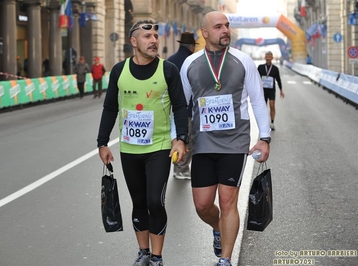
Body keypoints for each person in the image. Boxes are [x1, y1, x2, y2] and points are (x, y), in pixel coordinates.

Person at [179, 11, 271, 266]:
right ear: (205, 33)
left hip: (235, 143)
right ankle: (218, 227)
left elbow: (257, 101)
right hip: (202, 144)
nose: (225, 30)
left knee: (228, 201)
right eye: (218, 27)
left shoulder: (243, 61)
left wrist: (264, 138)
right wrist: (180, 138)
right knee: (202, 205)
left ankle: (225, 259)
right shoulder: (191, 64)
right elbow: (182, 105)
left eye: (227, 26)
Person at [97, 20, 188, 266]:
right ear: (134, 42)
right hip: (129, 148)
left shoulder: (168, 70)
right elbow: (110, 108)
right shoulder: (119, 70)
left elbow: (180, 106)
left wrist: (181, 139)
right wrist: (102, 143)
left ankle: (157, 257)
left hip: (159, 147)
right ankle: (143, 252)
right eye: (147, 36)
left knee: (154, 201)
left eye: (156, 36)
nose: (154, 40)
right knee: (138, 202)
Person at [167, 32, 197, 180]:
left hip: (171, 107)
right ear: (191, 47)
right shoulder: (192, 60)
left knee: (176, 137)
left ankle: (176, 166)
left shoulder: (170, 60)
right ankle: (182, 168)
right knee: (187, 139)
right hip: (187, 108)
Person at [257, 51, 284, 131]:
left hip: (272, 90)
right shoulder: (260, 67)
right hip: (263, 90)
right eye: (267, 56)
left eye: (269, 56)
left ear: (272, 58)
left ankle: (272, 123)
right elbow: (256, 79)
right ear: (265, 58)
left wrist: (281, 90)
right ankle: (264, 123)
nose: (268, 58)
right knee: (263, 107)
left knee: (272, 105)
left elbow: (278, 80)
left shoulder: (275, 69)